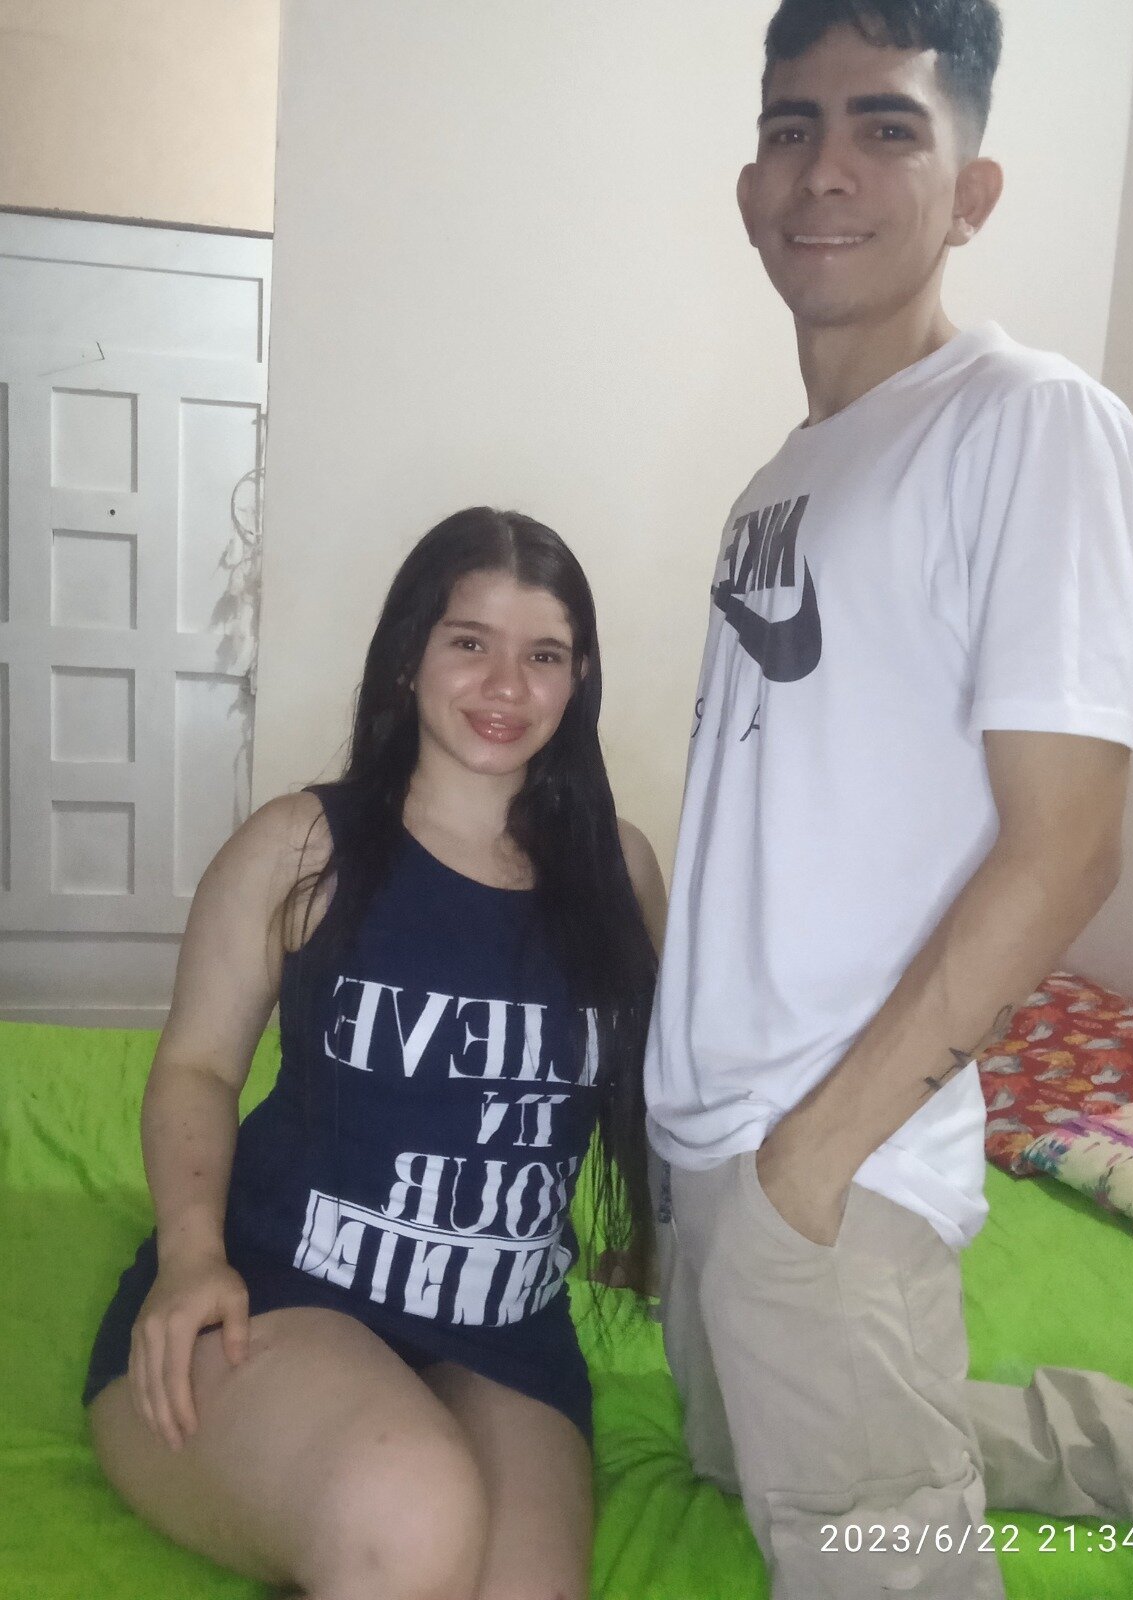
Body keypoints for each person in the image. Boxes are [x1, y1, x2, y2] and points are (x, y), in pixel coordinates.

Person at [644, 3, 1133, 1597]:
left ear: (971, 192)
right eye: (790, 126)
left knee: (874, 1554)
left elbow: (1067, 845)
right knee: (738, 1458)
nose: (825, 168)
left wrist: (811, 1164)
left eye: (885, 127)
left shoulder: (1026, 421)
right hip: (716, 1143)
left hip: (829, 1160)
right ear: (749, 186)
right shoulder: (780, 478)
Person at [86, 507, 667, 1600]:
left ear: (579, 677)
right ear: (409, 656)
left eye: (543, 654)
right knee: (411, 1519)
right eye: (469, 641)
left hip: (504, 1323)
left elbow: (652, 1083)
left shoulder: (620, 871)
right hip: (278, 1290)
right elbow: (197, 1068)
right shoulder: (302, 845)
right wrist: (191, 1256)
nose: (505, 685)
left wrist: (659, 1241)